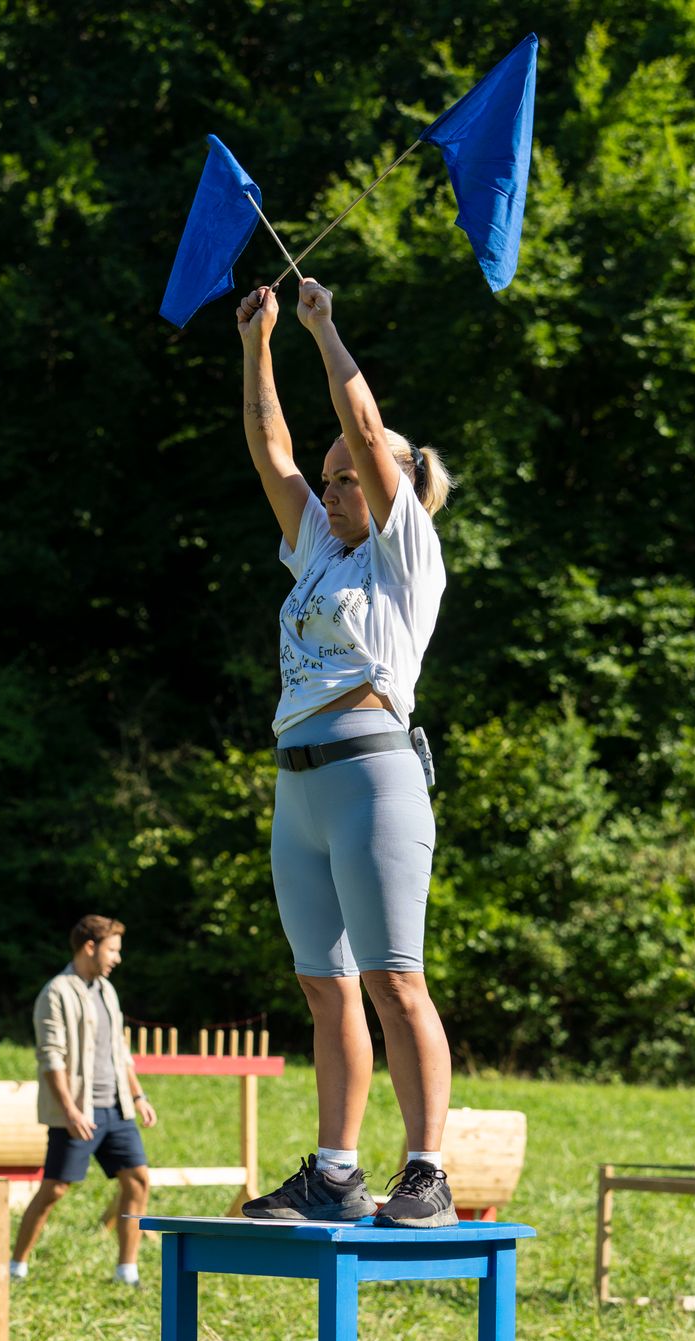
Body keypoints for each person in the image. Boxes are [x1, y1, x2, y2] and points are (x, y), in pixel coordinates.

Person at [236, 275, 456, 1228]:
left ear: (387, 487)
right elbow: (269, 446)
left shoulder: (404, 550)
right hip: (300, 788)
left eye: (346, 479)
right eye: (324, 482)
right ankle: (334, 1172)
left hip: (375, 777)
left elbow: (364, 430)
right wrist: (258, 342)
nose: (328, 489)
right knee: (325, 989)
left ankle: (428, 1172)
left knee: (392, 978)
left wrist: (325, 331)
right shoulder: (320, 547)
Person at [10, 914, 157, 1285]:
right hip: (78, 1113)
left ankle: (127, 1270)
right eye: (113, 950)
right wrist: (70, 1110)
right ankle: (16, 1266)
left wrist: (137, 1095)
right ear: (89, 947)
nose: (117, 958)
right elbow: (51, 1056)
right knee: (54, 1189)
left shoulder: (107, 990)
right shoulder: (56, 992)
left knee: (138, 1180)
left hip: (117, 1108)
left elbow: (120, 1051)